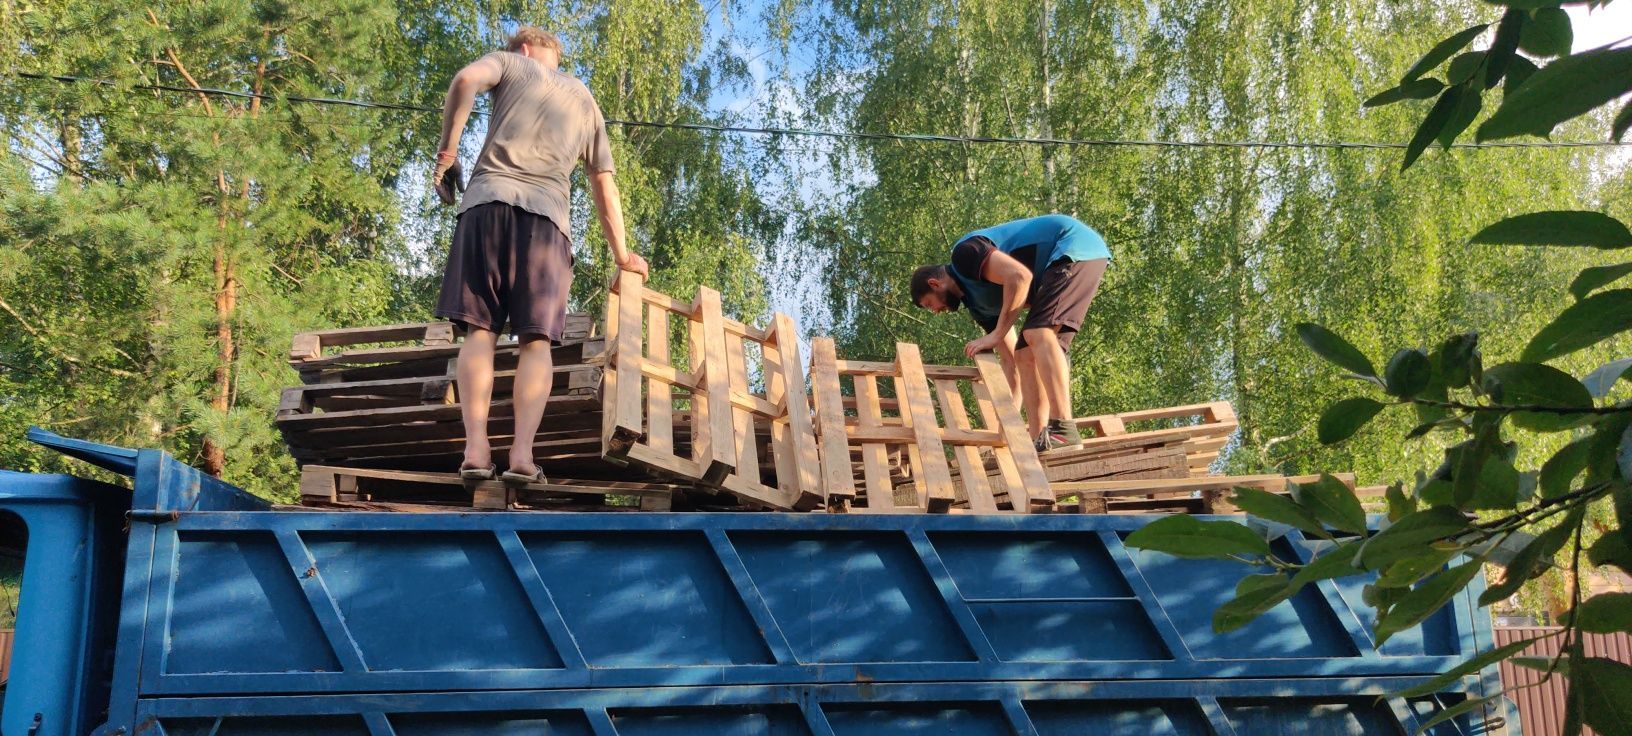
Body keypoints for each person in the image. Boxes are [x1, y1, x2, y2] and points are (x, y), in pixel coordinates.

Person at [431, 27, 648, 486]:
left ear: (525, 50)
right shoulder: (584, 98)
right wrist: (623, 255)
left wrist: (447, 154)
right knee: (535, 343)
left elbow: (465, 81)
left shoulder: (509, 64)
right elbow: (603, 184)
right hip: (547, 226)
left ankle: (475, 449)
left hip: (485, 206)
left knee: (479, 332)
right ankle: (522, 456)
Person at [909, 214, 1110, 452]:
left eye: (930, 304)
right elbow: (1011, 363)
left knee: (1038, 333)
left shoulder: (964, 255)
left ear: (934, 284)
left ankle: (1064, 429)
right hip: (1059, 268)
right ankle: (1040, 439)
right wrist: (1006, 427)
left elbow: (1020, 276)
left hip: (1072, 248)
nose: (936, 311)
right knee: (1024, 353)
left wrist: (996, 334)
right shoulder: (979, 307)